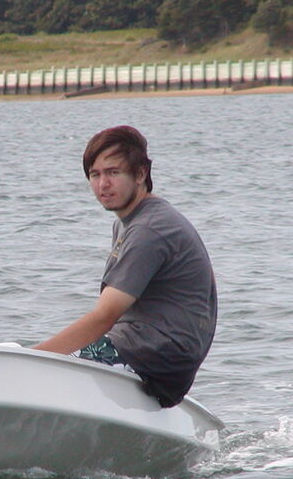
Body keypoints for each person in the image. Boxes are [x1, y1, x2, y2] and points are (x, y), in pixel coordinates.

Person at [33, 125, 216, 408]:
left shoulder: (150, 229)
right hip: (153, 353)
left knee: (42, 367)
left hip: (154, 359)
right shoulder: (130, 222)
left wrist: (34, 358)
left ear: (141, 174)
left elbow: (104, 316)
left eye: (113, 172)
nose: (103, 184)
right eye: (95, 174)